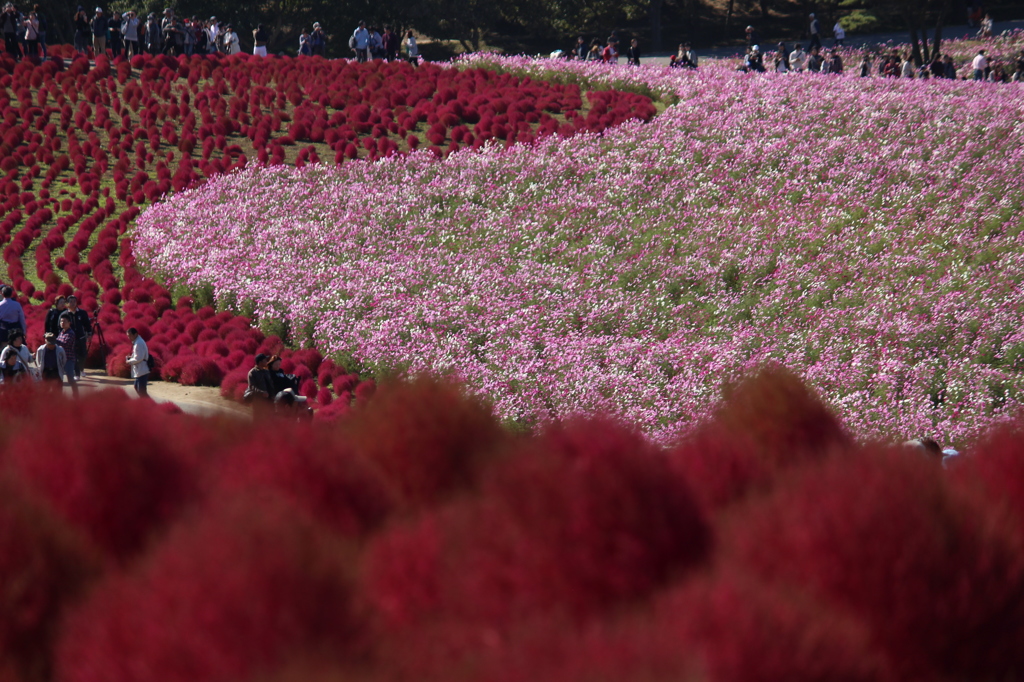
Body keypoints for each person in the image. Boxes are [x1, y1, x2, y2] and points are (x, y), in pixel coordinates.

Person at [64, 295, 91, 379]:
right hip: (70, 338)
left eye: (74, 301)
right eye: (71, 302)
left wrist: (89, 333)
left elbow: (87, 324)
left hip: (81, 337)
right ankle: (77, 374)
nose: (73, 303)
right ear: (67, 303)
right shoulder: (65, 314)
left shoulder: (82, 313)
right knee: (74, 356)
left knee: (83, 355)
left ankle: (81, 369)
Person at [55, 314, 78, 397]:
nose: (62, 323)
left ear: (69, 323)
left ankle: (76, 395)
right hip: (61, 359)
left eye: (64, 321)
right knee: (59, 378)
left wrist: (53, 341)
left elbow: (65, 344)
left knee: (70, 378)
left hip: (69, 359)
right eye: (61, 321)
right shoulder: (61, 332)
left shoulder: (71, 333)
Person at [125, 327, 150, 397]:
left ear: (135, 334)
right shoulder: (137, 342)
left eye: (130, 335)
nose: (128, 338)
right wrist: (131, 357)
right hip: (140, 370)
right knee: (137, 387)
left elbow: (139, 358)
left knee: (141, 390)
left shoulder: (139, 343)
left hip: (142, 370)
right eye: (127, 336)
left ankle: (150, 405)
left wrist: (129, 361)